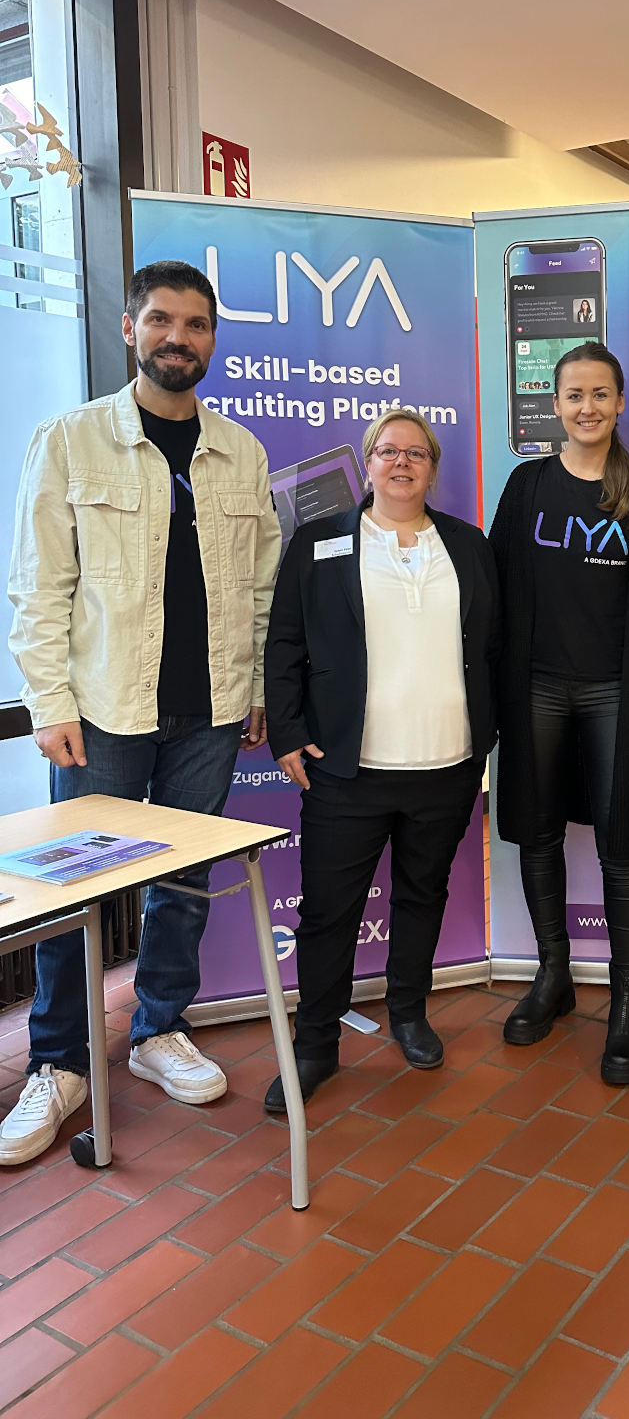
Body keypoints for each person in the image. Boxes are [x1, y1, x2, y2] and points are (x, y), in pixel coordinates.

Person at [2, 260, 280, 1166]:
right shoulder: (71, 440)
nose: (179, 338)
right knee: (71, 889)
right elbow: (37, 588)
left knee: (184, 882)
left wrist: (260, 691)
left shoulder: (241, 452)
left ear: (211, 340)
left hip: (208, 712)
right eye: (162, 321)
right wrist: (49, 701)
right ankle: (61, 1061)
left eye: (196, 325)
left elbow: (264, 588)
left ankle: (159, 1028)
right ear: (130, 329)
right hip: (104, 713)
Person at [262, 412, 498, 1105]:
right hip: (347, 770)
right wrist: (285, 733)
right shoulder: (319, 542)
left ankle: (409, 1013)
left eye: (416, 452)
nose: (401, 462)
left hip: (448, 765)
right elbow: (284, 646)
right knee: (329, 912)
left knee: (422, 896)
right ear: (367, 464)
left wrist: (487, 734)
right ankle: (315, 1045)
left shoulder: (468, 545)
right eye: (388, 451)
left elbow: (493, 645)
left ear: (433, 465)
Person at [489, 341, 629, 1086]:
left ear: (620, 403)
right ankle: (553, 976)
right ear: (556, 405)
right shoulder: (529, 486)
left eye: (600, 394)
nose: (587, 407)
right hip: (535, 686)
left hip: (616, 690)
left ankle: (626, 1003)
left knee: (621, 843)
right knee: (536, 832)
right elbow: (500, 589)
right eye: (574, 395)